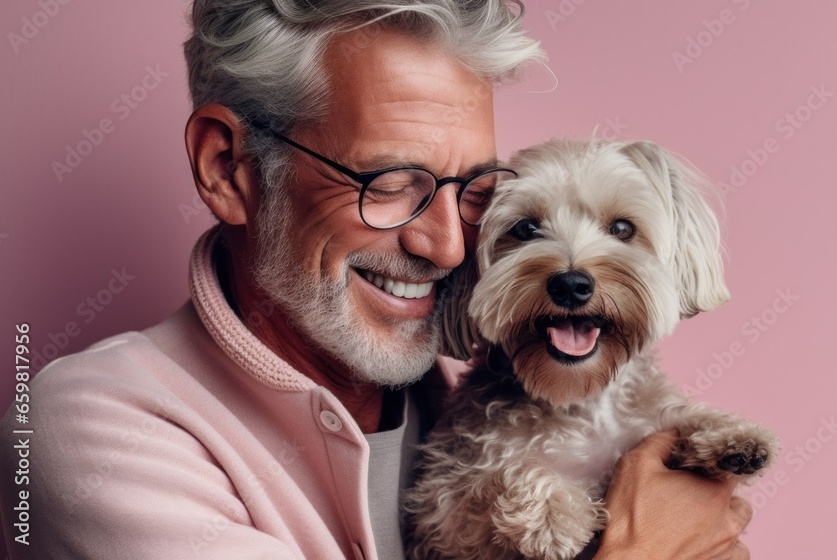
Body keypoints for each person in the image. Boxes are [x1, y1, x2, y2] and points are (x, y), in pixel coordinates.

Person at [0, 1, 753, 558]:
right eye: (392, 181)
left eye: (473, 191)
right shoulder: (88, 431)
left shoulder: (468, 400)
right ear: (227, 167)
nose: (451, 244)